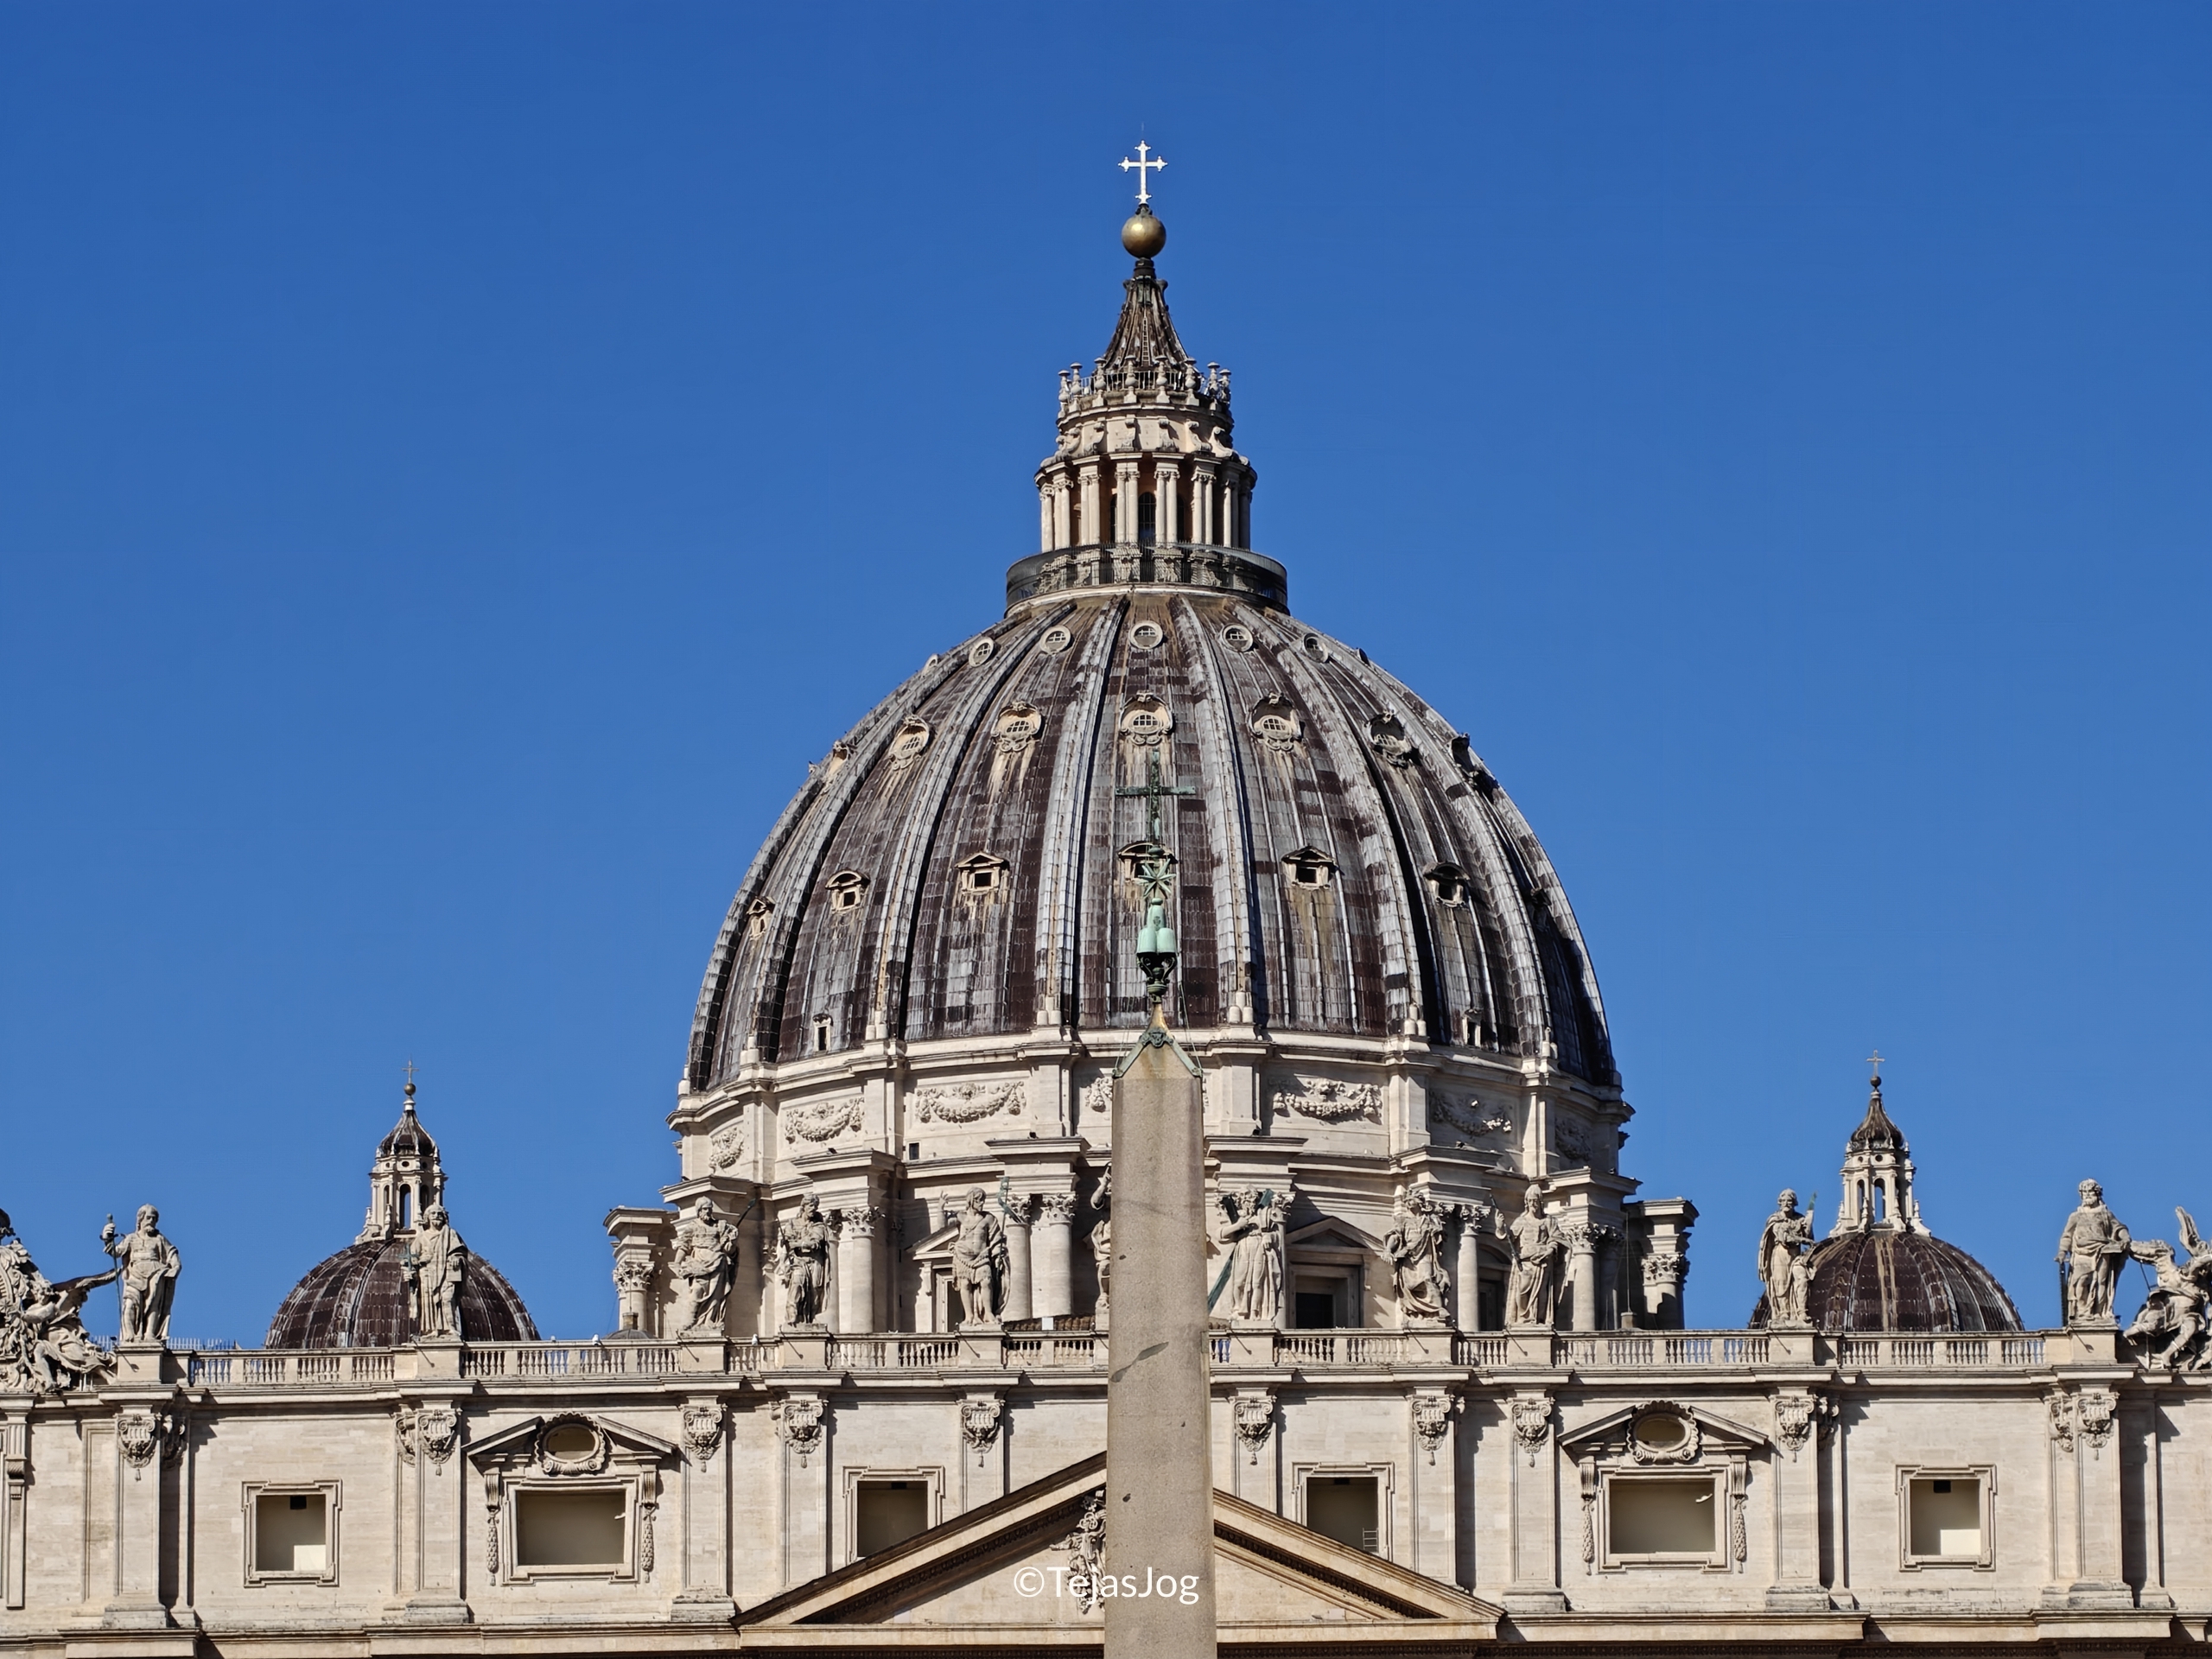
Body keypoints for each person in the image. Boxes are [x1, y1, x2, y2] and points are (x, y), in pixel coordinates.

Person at [100, 1205, 181, 1344]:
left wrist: (176, 1266)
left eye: (154, 1219)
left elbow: (172, 1253)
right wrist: (107, 1238)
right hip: (134, 1274)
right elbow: (116, 1252)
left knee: (153, 1305)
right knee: (130, 1303)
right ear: (141, 1219)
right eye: (148, 1217)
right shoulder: (131, 1238)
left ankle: (149, 1334)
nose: (151, 1221)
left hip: (156, 1273)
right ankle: (130, 1335)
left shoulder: (159, 1239)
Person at [2056, 1179, 2131, 1325]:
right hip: (2080, 1253)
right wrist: (2062, 1252)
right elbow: (2067, 1235)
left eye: (2090, 1192)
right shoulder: (2075, 1216)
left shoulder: (2106, 1215)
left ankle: (2098, 1313)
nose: (2087, 1195)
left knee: (2100, 1282)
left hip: (2103, 1250)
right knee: (2080, 1281)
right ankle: (2083, 1312)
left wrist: (2125, 1238)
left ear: (2097, 1194)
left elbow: (2119, 1228)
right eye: (2084, 1193)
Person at [670, 1198, 741, 1335]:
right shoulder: (693, 1226)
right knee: (697, 1291)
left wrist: (732, 1240)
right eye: (705, 1208)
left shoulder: (719, 1226)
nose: (708, 1211)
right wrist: (677, 1263)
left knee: (716, 1295)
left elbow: (728, 1249)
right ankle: (692, 1320)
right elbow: (684, 1246)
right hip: (699, 1262)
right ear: (699, 1210)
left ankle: (710, 1321)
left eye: (709, 1208)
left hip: (718, 1260)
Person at [1384, 1188, 1450, 1324]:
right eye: (1407, 1201)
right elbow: (1396, 1236)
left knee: (1428, 1278)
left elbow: (1439, 1239)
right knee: (1411, 1285)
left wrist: (1437, 1232)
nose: (1408, 1203)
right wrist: (1388, 1250)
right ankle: (1418, 1311)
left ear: (1419, 1202)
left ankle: (1438, 1309)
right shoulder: (1402, 1220)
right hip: (1408, 1255)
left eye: (1411, 1200)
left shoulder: (1430, 1220)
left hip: (1425, 1255)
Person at [404, 1204, 467, 1338]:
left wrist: (456, 1257)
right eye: (433, 1214)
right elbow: (409, 1260)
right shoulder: (421, 1238)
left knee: (447, 1299)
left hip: (447, 1273)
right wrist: (415, 1266)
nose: (436, 1216)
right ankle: (433, 1330)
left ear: (444, 1217)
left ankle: (450, 1328)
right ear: (427, 1218)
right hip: (427, 1275)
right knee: (430, 1303)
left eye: (439, 1214)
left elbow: (460, 1252)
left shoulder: (450, 1234)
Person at [1756, 1190, 1816, 1325]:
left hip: (1796, 1257)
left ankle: (1800, 1312)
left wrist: (1810, 1221)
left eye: (1790, 1201)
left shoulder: (1799, 1219)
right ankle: (1784, 1313)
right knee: (1781, 1283)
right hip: (1780, 1254)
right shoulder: (1775, 1220)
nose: (1787, 1204)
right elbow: (1785, 1238)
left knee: (1801, 1278)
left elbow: (1809, 1236)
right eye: (1785, 1201)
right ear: (1780, 1203)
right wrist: (1803, 1240)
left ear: (1794, 1203)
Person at [950, 1188, 1008, 1326]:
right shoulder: (960, 1217)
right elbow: (942, 1227)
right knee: (965, 1284)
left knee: (986, 1282)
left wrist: (998, 1252)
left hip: (982, 1255)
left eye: (983, 1200)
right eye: (978, 1200)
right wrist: (940, 1210)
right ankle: (969, 1316)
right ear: (970, 1201)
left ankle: (988, 1313)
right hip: (963, 1255)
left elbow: (996, 1238)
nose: (981, 1203)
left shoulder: (989, 1218)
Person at [1504, 1189, 1560, 1327]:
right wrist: (1501, 1227)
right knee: (1523, 1289)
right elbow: (1510, 1236)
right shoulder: (1521, 1221)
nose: (1533, 1204)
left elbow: (1556, 1237)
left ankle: (1538, 1319)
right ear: (1526, 1202)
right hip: (1526, 1260)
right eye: (1530, 1201)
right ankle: (1523, 1316)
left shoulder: (1549, 1221)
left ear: (1540, 1202)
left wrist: (1550, 1250)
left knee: (1542, 1293)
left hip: (1543, 1259)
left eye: (1535, 1201)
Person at [776, 1194, 833, 1328]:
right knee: (796, 1285)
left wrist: (797, 1244)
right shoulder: (792, 1223)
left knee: (814, 1292)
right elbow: (787, 1240)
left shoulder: (819, 1226)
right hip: (798, 1262)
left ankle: (810, 1320)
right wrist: (786, 1242)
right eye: (811, 1205)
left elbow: (815, 1243)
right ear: (804, 1207)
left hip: (814, 1263)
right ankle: (792, 1319)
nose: (813, 1209)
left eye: (815, 1206)